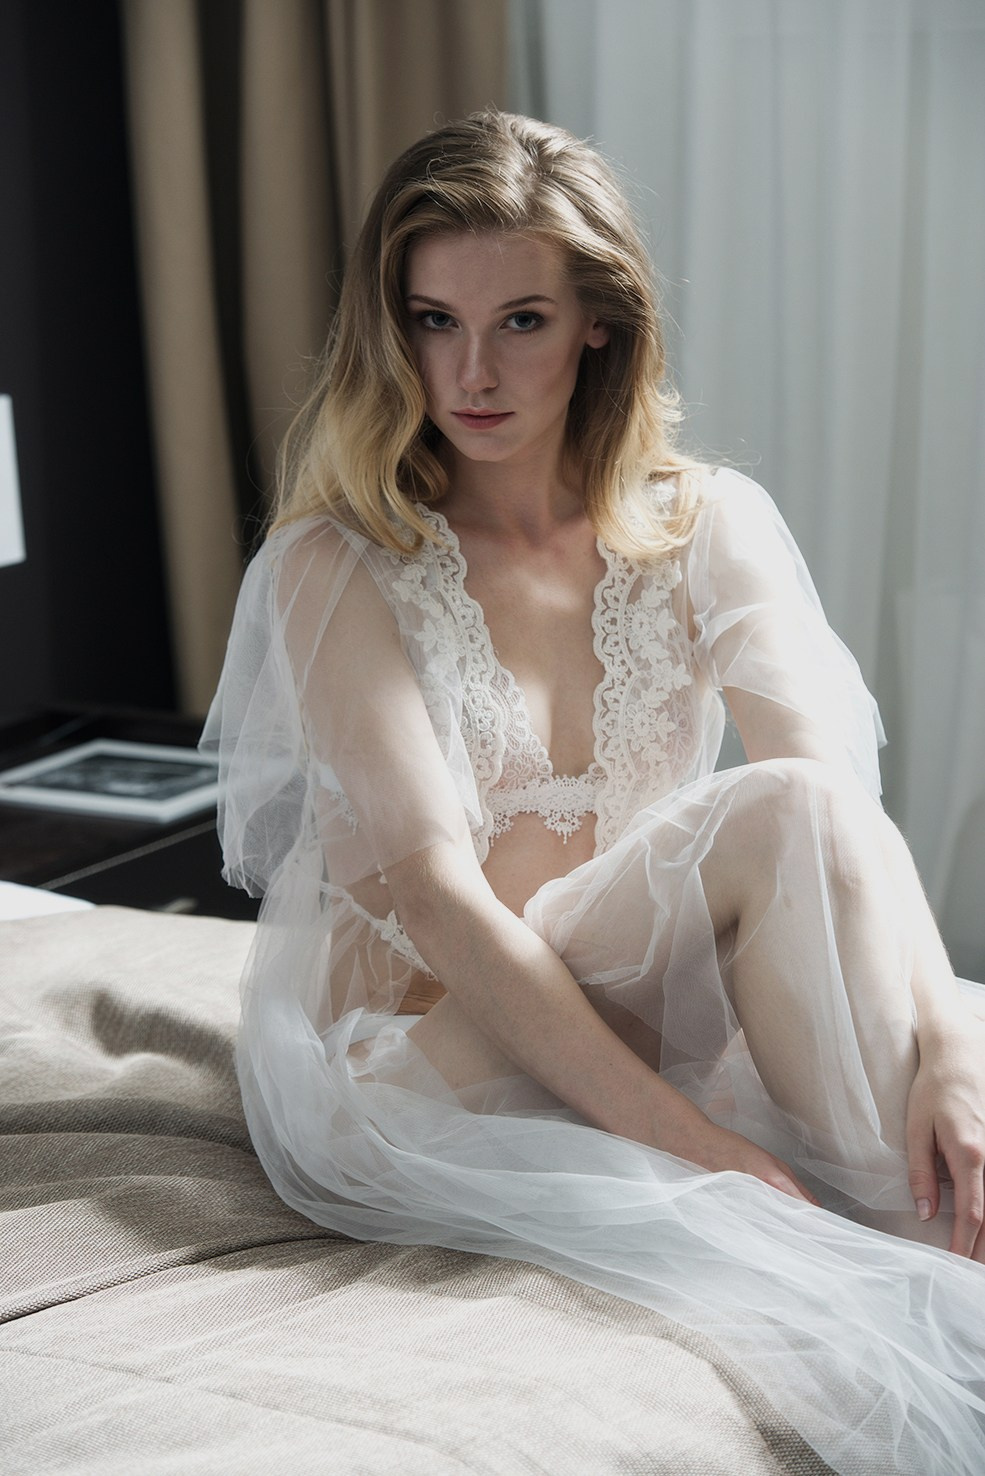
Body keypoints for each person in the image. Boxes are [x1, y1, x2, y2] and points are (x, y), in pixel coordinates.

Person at [202, 111, 985, 1473]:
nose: (471, 372)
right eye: (434, 322)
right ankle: (943, 1273)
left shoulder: (703, 520)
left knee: (831, 871)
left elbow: (838, 824)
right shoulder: (339, 561)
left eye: (520, 322)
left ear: (599, 329)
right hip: (430, 1064)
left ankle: (943, 1248)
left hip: (646, 1020)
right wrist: (701, 1151)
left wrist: (956, 1051)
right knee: (769, 819)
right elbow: (437, 903)